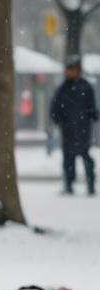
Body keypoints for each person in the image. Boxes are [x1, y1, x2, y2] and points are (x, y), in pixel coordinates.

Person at [50, 56, 97, 195]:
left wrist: (91, 115)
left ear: (77, 71)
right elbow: (55, 107)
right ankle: (69, 184)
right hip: (68, 129)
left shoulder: (85, 87)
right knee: (68, 158)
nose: (70, 72)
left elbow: (92, 108)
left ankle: (90, 184)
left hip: (83, 129)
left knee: (85, 156)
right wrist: (58, 119)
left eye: (72, 69)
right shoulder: (63, 89)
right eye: (68, 70)